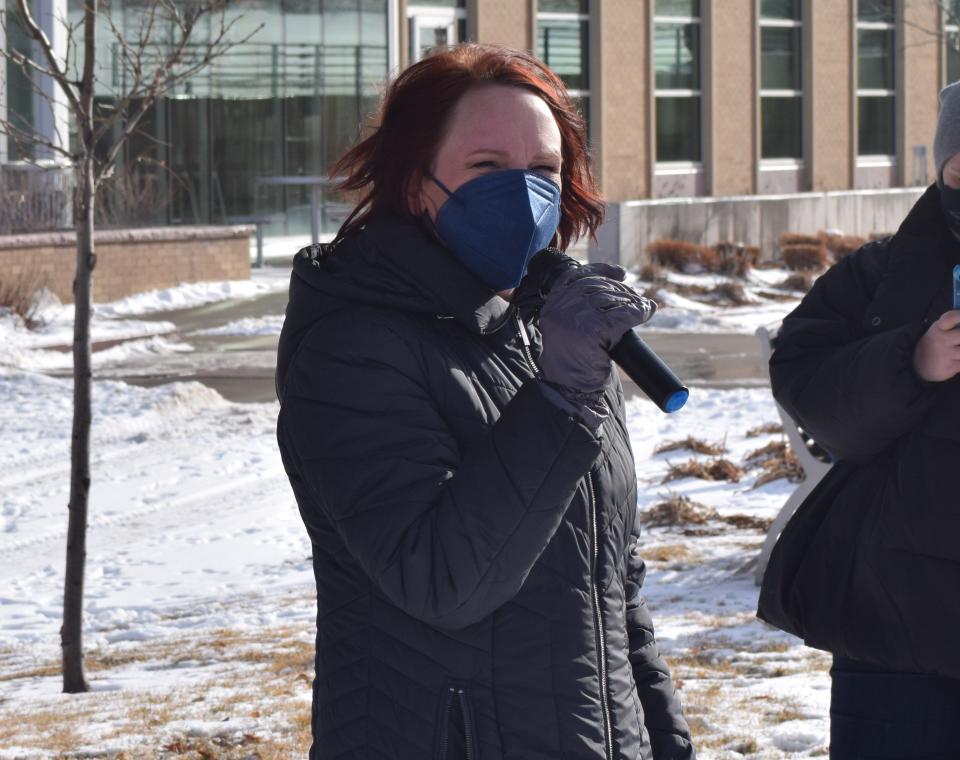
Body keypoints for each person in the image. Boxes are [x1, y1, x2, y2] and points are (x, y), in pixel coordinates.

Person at [275, 43, 695, 760]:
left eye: (544, 171)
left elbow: (615, 595)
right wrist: (561, 399)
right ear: (414, 183)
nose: (524, 195)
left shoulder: (547, 334)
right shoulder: (352, 347)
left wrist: (664, 743)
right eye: (487, 169)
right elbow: (443, 580)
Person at [766, 82, 960, 759]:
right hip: (889, 628)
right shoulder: (881, 273)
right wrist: (913, 360)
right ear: (941, 169)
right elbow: (804, 380)